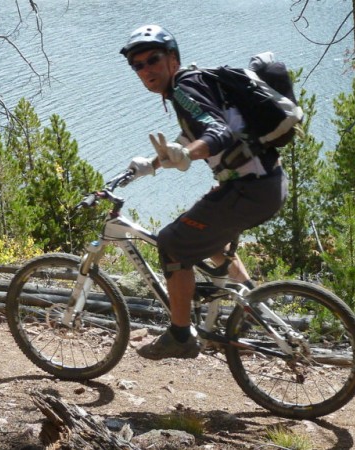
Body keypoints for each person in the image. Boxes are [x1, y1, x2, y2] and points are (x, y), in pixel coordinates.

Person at [122, 25, 289, 360]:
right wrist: (152, 164)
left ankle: (181, 337)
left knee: (172, 243)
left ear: (172, 58)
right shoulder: (192, 84)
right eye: (137, 65)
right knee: (211, 237)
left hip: (250, 189)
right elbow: (198, 132)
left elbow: (218, 132)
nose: (146, 70)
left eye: (152, 59)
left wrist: (188, 154)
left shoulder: (184, 88)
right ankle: (251, 310)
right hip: (265, 183)